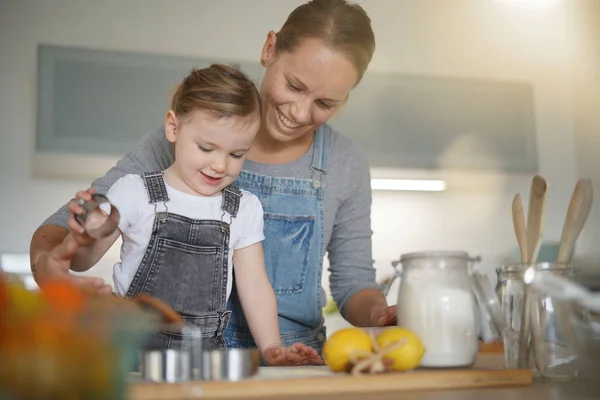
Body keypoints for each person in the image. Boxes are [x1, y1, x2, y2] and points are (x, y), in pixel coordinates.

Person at [30, 0, 397, 356]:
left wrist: (382, 314)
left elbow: (353, 284)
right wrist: (52, 267)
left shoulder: (344, 161)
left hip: (289, 361)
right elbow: (72, 230)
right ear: (270, 48)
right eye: (295, 86)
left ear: (344, 100)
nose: (300, 112)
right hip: (183, 358)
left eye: (325, 103)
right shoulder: (187, 139)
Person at [64, 64, 322, 366]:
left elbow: (255, 286)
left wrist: (271, 347)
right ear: (173, 128)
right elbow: (82, 261)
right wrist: (81, 239)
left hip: (204, 360)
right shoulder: (134, 193)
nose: (219, 165)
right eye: (206, 148)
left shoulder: (244, 209)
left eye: (236, 154)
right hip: (128, 354)